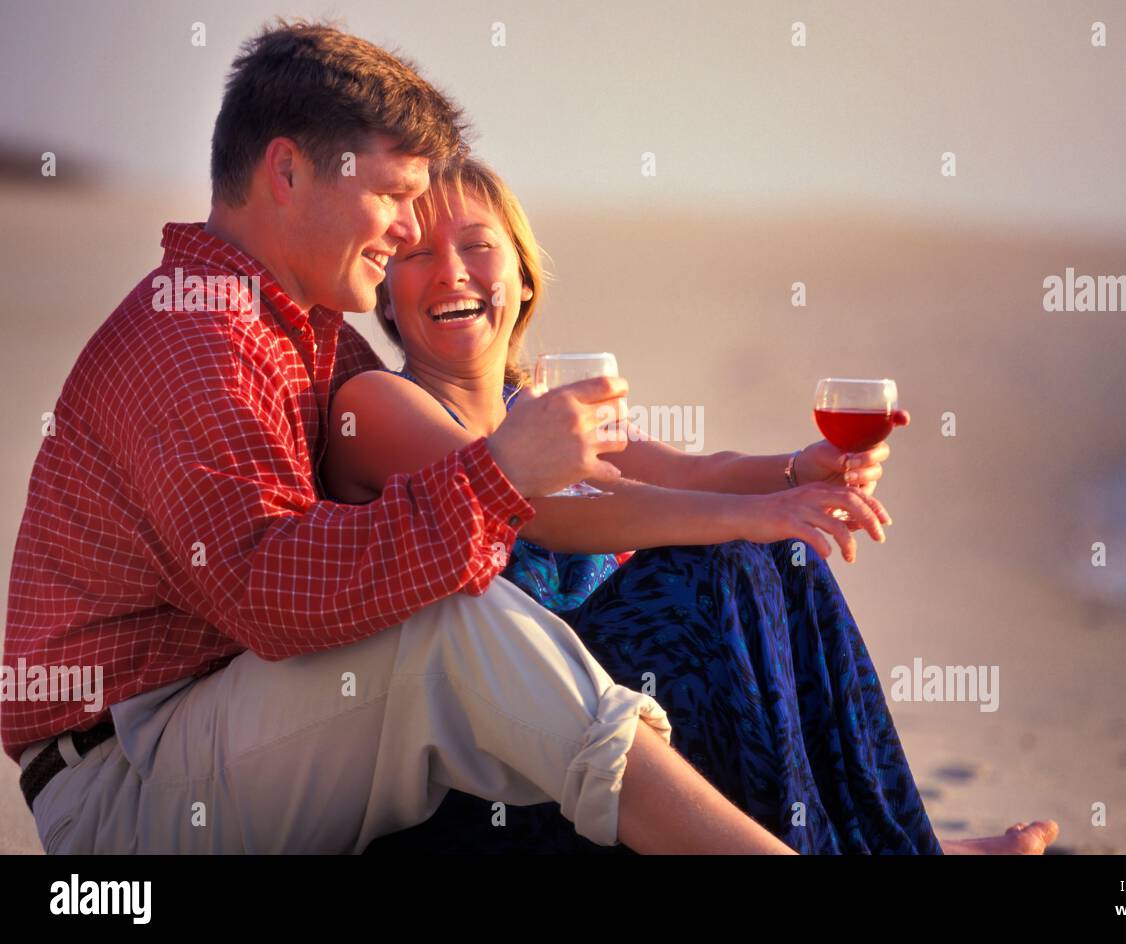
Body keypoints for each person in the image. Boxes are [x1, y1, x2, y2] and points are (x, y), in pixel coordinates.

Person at [1, 20, 802, 855]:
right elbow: (269, 591)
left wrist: (778, 480)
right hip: (123, 785)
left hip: (224, 729)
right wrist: (497, 478)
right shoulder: (196, 341)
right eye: (390, 195)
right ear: (286, 170)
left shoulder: (299, 327)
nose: (402, 227)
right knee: (447, 632)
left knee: (507, 625)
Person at [322, 157, 1061, 855]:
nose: (451, 270)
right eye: (418, 254)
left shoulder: (539, 408)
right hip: (501, 776)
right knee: (723, 566)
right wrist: (750, 519)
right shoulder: (380, 406)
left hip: (621, 746)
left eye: (478, 246)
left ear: (521, 274)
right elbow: (545, 517)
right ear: (385, 290)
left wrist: (804, 470)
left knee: (781, 555)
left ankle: (895, 844)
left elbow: (689, 472)